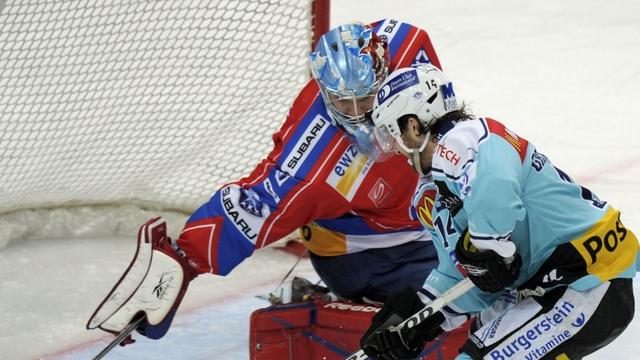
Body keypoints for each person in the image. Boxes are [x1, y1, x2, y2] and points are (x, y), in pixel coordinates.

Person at [88, 20, 449, 342]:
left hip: (429, 213)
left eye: (368, 98)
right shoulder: (312, 159)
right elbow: (253, 207)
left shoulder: (409, 46)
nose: (360, 115)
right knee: (452, 303)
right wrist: (182, 261)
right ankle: (360, 296)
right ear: (325, 91)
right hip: (372, 254)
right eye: (344, 102)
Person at [358, 64, 639, 360]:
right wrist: (420, 315)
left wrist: (487, 246)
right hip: (549, 288)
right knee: (480, 331)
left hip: (589, 279)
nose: (395, 150)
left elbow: (498, 190)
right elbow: (470, 277)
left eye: (392, 133)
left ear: (414, 126)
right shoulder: (430, 192)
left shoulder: (468, 139)